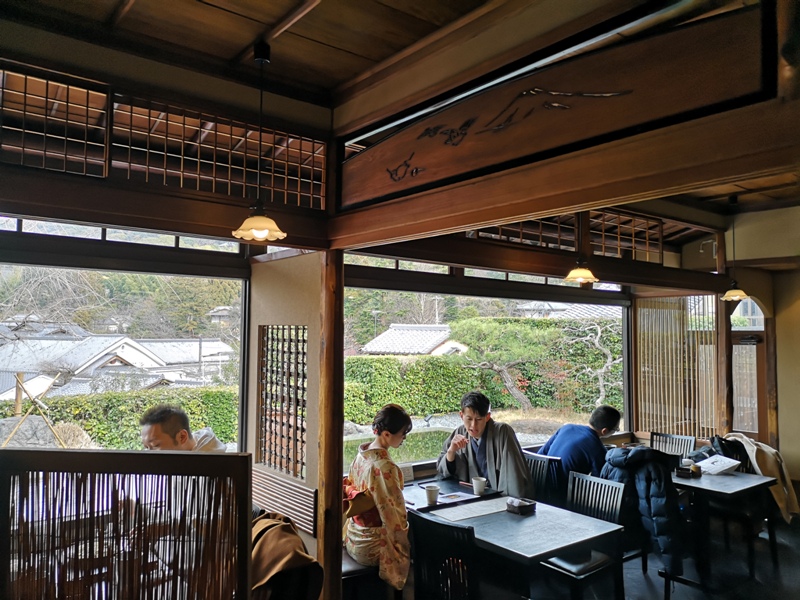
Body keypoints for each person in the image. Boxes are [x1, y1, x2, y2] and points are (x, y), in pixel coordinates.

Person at [344, 403, 412, 591]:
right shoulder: (383, 467)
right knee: (418, 548)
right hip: (371, 547)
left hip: (353, 537)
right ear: (386, 434)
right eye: (402, 433)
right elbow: (393, 516)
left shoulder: (362, 455)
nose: (404, 437)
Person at [436, 390, 533, 499]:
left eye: (478, 419)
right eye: (469, 419)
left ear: (487, 417)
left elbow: (513, 476)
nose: (473, 425)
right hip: (470, 497)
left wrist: (509, 504)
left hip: (498, 498)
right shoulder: (459, 433)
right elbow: (442, 471)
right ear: (461, 415)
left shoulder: (503, 432)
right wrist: (451, 452)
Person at [538, 404, 621, 504]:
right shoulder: (597, 447)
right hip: (565, 498)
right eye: (616, 429)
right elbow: (600, 484)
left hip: (541, 489)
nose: (617, 431)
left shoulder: (566, 428)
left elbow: (541, 454)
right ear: (604, 431)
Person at [140, 404, 226, 452]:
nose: (148, 454)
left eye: (155, 445)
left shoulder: (218, 472)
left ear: (182, 437)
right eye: (146, 447)